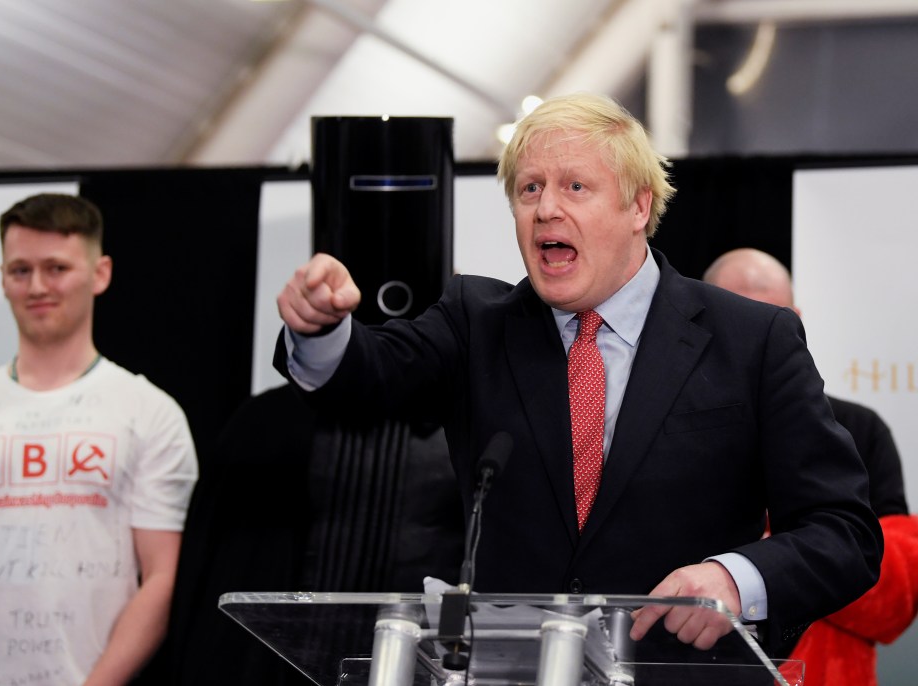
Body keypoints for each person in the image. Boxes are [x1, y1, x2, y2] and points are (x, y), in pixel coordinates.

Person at [273, 93, 881, 658]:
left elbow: (845, 532)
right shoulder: (475, 323)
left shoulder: (751, 339)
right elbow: (369, 374)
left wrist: (737, 578)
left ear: (639, 205)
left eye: (575, 186)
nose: (546, 209)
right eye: (530, 188)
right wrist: (320, 330)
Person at [0, 193, 198, 686]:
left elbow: (162, 578)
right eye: (20, 270)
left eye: (56, 268)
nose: (37, 286)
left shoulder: (149, 411)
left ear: (101, 272)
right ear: (2, 277)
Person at [704, 246, 918, 686]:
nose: (751, 335)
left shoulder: (860, 429)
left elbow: (896, 595)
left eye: (767, 316)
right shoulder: (658, 423)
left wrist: (761, 561)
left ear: (794, 319)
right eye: (734, 317)